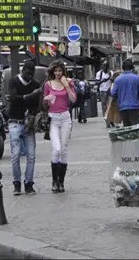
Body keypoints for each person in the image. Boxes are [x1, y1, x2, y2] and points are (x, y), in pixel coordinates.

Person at [7, 60, 42, 195]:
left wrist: (32, 115)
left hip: (28, 122)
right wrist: (29, 96)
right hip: (15, 120)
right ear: (23, 70)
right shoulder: (14, 81)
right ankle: (17, 183)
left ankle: (29, 183)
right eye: (27, 72)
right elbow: (13, 97)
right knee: (15, 154)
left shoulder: (36, 84)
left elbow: (35, 104)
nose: (29, 76)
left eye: (31, 73)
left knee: (31, 155)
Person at [43, 59, 76, 193]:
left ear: (63, 71)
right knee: (56, 149)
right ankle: (54, 180)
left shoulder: (69, 82)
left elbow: (73, 99)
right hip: (53, 118)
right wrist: (47, 100)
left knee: (64, 149)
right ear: (52, 72)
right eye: (55, 71)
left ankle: (61, 182)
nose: (57, 73)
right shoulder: (48, 84)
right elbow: (44, 103)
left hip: (65, 117)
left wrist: (67, 86)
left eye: (60, 70)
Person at [110, 59, 139, 127]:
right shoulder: (137, 78)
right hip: (134, 107)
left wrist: (120, 96)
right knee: (135, 127)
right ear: (132, 67)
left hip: (123, 107)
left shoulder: (117, 79)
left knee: (126, 127)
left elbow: (113, 93)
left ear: (123, 68)